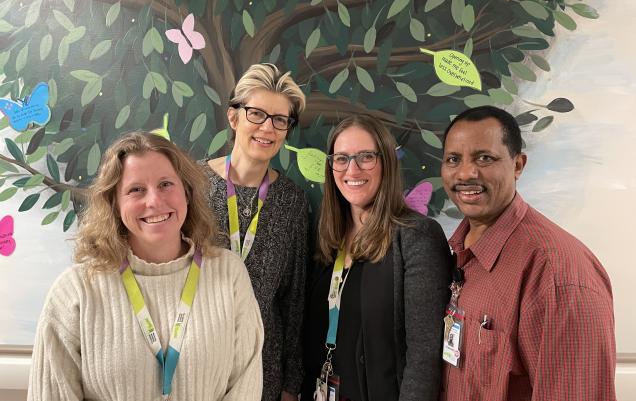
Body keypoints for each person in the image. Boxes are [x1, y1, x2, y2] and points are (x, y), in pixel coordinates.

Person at [28, 132, 263, 401]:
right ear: (114, 204)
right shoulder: (75, 292)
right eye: (136, 189)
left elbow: (246, 385)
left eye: (165, 184)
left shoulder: (229, 275)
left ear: (186, 193)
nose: (154, 201)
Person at [439, 106, 616, 401]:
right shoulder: (458, 251)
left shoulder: (557, 274)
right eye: (453, 159)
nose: (466, 173)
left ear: (518, 165)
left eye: (485, 158)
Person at [301, 114, 453, 401]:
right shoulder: (325, 237)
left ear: (386, 162)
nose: (352, 169)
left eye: (366, 157)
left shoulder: (416, 237)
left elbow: (423, 356)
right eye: (342, 158)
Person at [199, 63, 308, 401]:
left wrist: (291, 383)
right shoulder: (192, 186)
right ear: (234, 117)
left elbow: (294, 301)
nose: (268, 128)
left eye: (280, 120)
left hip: (264, 369)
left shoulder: (292, 201)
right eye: (257, 114)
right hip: (198, 360)